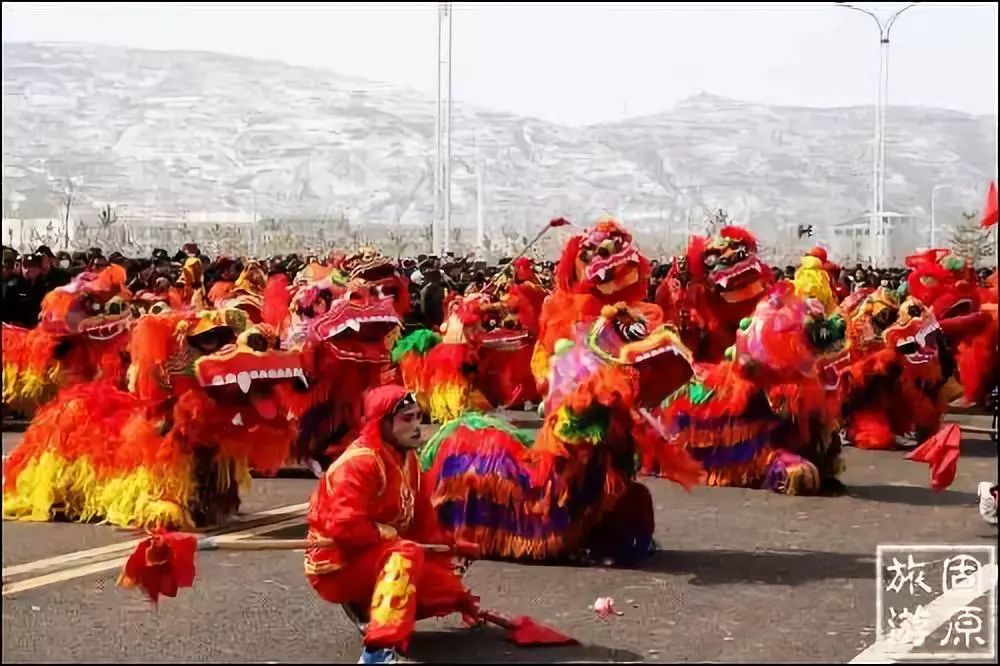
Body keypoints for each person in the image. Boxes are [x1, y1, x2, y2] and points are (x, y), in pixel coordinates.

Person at [304, 385, 479, 664]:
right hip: (339, 564)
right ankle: (378, 650)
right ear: (383, 424)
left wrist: (451, 547)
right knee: (406, 554)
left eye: (418, 417)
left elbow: (423, 523)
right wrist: (386, 534)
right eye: (406, 419)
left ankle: (368, 608)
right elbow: (342, 526)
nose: (417, 427)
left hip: (381, 552)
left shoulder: (409, 459)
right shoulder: (360, 463)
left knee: (448, 589)